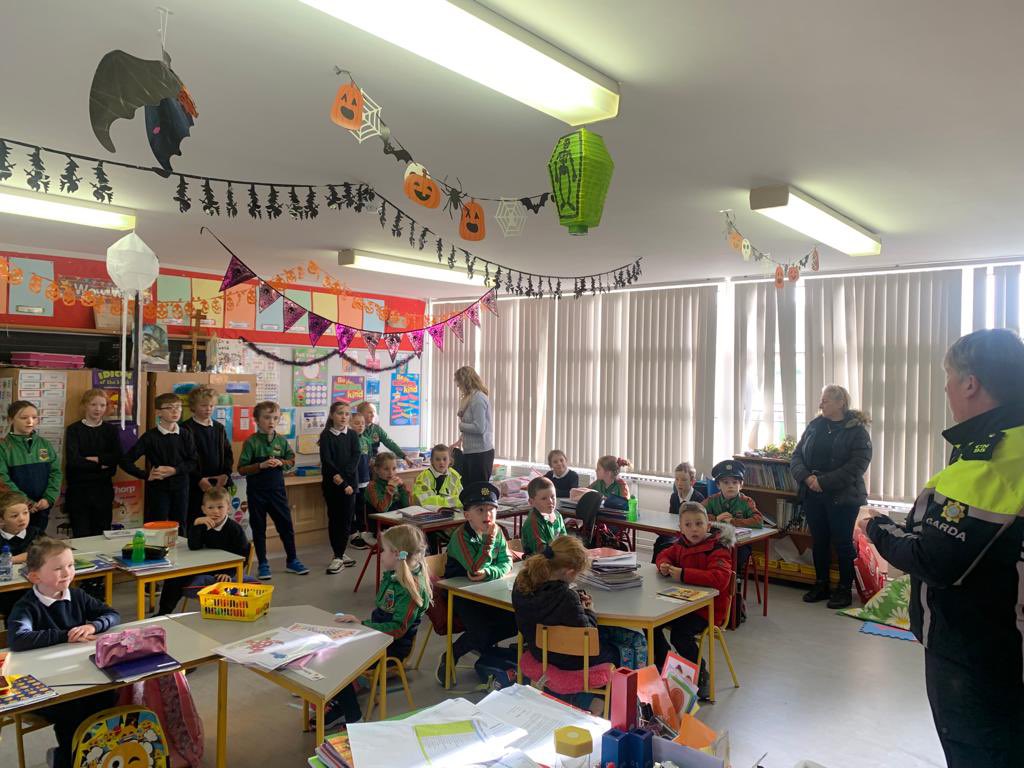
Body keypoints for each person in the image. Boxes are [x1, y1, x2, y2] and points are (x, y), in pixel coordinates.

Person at [863, 329, 1024, 768]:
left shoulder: (988, 463)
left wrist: (874, 526)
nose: (946, 389)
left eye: (949, 378)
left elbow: (934, 559)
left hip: (975, 650)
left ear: (971, 384)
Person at [6, 537, 120, 768]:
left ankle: (94, 757)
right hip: (43, 685)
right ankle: (65, 759)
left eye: (70, 565)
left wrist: (93, 626)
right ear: (34, 576)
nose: (67, 573)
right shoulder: (26, 606)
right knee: (72, 712)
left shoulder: (76, 596)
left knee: (109, 695)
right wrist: (65, 634)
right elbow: (18, 639)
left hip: (79, 676)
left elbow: (112, 614)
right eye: (58, 568)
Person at [325, 524, 432, 729]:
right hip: (377, 638)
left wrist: (363, 626)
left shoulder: (410, 588)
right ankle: (339, 702)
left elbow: (397, 629)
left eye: (383, 550)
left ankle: (352, 715)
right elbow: (383, 617)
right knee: (332, 647)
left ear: (395, 554)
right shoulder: (393, 576)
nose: (380, 554)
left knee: (336, 660)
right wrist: (361, 627)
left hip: (391, 647)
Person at [512, 534, 619, 713]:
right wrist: (589, 610)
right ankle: (599, 705)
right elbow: (587, 633)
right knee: (615, 651)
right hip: (569, 660)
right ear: (569, 572)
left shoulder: (522, 582)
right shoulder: (566, 597)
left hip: (539, 651)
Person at [791, 384, 872, 610]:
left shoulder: (857, 432)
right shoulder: (815, 426)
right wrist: (808, 479)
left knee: (843, 543)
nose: (821, 404)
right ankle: (821, 584)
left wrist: (823, 482)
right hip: (812, 493)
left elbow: (857, 465)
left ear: (840, 403)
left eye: (826, 400)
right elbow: (797, 456)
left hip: (842, 497)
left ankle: (844, 589)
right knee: (820, 541)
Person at [654, 502, 734, 699]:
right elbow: (664, 554)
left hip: (708, 610)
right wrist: (663, 564)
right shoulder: (681, 544)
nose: (694, 529)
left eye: (699, 524)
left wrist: (683, 575)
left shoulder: (718, 548)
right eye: (688, 525)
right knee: (652, 625)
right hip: (680, 605)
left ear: (708, 526)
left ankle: (701, 673)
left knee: (680, 635)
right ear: (681, 528)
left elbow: (719, 579)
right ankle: (666, 667)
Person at [437, 481, 514, 686]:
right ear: (467, 515)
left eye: (491, 509)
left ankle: (485, 649)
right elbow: (474, 570)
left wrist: (491, 572)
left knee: (517, 620)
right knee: (481, 632)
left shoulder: (496, 531)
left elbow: (506, 562)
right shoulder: (461, 537)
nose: (487, 515)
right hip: (461, 594)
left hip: (488, 590)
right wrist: (489, 544)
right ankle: (453, 653)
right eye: (480, 510)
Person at [157, 486, 258, 615]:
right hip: (204, 565)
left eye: (220, 507)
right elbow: (194, 546)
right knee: (174, 577)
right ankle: (164, 612)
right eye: (210, 508)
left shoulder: (235, 529)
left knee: (180, 578)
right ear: (204, 509)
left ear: (228, 507)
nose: (215, 511)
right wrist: (197, 524)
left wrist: (229, 572)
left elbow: (243, 554)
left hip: (224, 570)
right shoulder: (203, 524)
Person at [237, 401, 308, 580]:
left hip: (277, 492)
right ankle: (263, 563)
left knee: (286, 525)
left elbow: (291, 460)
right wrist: (260, 465)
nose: (271, 421)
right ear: (257, 420)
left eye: (275, 418)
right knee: (258, 528)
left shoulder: (281, 441)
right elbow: (242, 468)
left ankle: (292, 560)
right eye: (267, 418)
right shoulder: (251, 442)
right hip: (257, 493)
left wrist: (281, 462)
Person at [119, 392, 196, 534]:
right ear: (159, 412)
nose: (175, 411)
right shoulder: (150, 437)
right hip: (158, 488)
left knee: (180, 525)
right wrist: (146, 475)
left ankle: (180, 555)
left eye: (178, 407)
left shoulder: (186, 434)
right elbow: (125, 461)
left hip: (181, 487)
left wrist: (175, 470)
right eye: (170, 407)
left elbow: (193, 462)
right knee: (157, 525)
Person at [704, 460, 761, 620]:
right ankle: (710, 594)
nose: (730, 486)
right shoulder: (712, 500)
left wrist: (733, 521)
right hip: (716, 544)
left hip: (739, 546)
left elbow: (758, 520)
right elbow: (698, 513)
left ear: (741, 485)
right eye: (726, 482)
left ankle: (734, 593)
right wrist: (716, 518)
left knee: (735, 561)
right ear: (718, 485)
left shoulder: (746, 501)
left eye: (735, 482)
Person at [63, 389, 121, 537]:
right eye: (93, 404)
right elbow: (74, 462)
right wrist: (102, 464)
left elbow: (116, 458)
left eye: (102, 405)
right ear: (85, 405)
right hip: (79, 491)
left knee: (101, 534)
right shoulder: (74, 430)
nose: (98, 409)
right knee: (81, 534)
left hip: (103, 490)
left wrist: (95, 460)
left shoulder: (110, 430)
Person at [0, 400, 62, 532]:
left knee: (37, 542)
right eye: (24, 418)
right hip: (16, 510)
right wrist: (25, 502)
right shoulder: (4, 447)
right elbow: (2, 478)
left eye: (34, 417)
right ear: (11, 419)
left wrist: (49, 498)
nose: (30, 421)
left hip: (42, 506)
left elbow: (56, 472)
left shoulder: (44, 444)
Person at [180, 386, 233, 528]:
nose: (208, 409)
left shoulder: (219, 428)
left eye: (211, 405)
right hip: (196, 484)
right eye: (203, 405)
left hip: (219, 484)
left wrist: (226, 474)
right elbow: (183, 458)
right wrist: (198, 479)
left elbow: (228, 453)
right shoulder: (185, 429)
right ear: (193, 407)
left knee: (219, 523)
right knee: (196, 521)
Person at [320, 401, 362, 573]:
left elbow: (356, 456)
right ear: (332, 415)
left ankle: (340, 553)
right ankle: (338, 555)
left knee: (346, 520)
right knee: (335, 519)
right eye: (340, 413)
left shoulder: (352, 435)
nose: (344, 417)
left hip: (350, 485)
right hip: (332, 484)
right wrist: (339, 480)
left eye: (347, 414)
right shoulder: (326, 436)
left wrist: (345, 481)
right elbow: (327, 461)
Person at [0, 491, 45, 617]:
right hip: (7, 593)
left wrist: (10, 559)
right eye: (14, 516)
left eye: (25, 513)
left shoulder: (35, 533)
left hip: (34, 588)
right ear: (1, 520)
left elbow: (42, 552)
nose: (22, 518)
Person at [654, 461, 707, 560]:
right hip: (675, 531)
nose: (679, 483)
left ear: (692, 482)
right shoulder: (674, 497)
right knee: (659, 542)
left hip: (689, 534)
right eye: (677, 479)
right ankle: (657, 567)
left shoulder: (698, 499)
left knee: (666, 546)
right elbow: (671, 518)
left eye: (683, 480)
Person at [451, 366, 493, 485]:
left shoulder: (478, 399)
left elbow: (479, 428)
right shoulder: (469, 398)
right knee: (468, 490)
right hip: (471, 451)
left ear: (465, 381)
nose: (458, 386)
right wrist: (460, 440)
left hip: (480, 453)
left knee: (478, 491)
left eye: (459, 382)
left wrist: (461, 425)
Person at [520, 476, 567, 556]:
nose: (550, 501)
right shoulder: (533, 521)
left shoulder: (557, 515)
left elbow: (564, 540)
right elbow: (541, 550)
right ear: (531, 502)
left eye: (553, 496)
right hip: (537, 562)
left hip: (555, 557)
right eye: (544, 498)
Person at [348, 410, 374, 550]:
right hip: (352, 481)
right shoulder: (349, 440)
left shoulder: (366, 440)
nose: (360, 426)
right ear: (350, 424)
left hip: (364, 479)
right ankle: (353, 534)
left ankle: (363, 532)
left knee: (362, 507)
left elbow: (369, 457)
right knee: (351, 508)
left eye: (362, 423)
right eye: (357, 423)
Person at [365, 452, 411, 517]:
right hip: (381, 524)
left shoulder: (397, 484)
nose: (391, 473)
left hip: (396, 521)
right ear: (376, 470)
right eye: (386, 469)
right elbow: (382, 509)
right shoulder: (372, 486)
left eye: (394, 468)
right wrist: (391, 488)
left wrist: (402, 487)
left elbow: (406, 506)